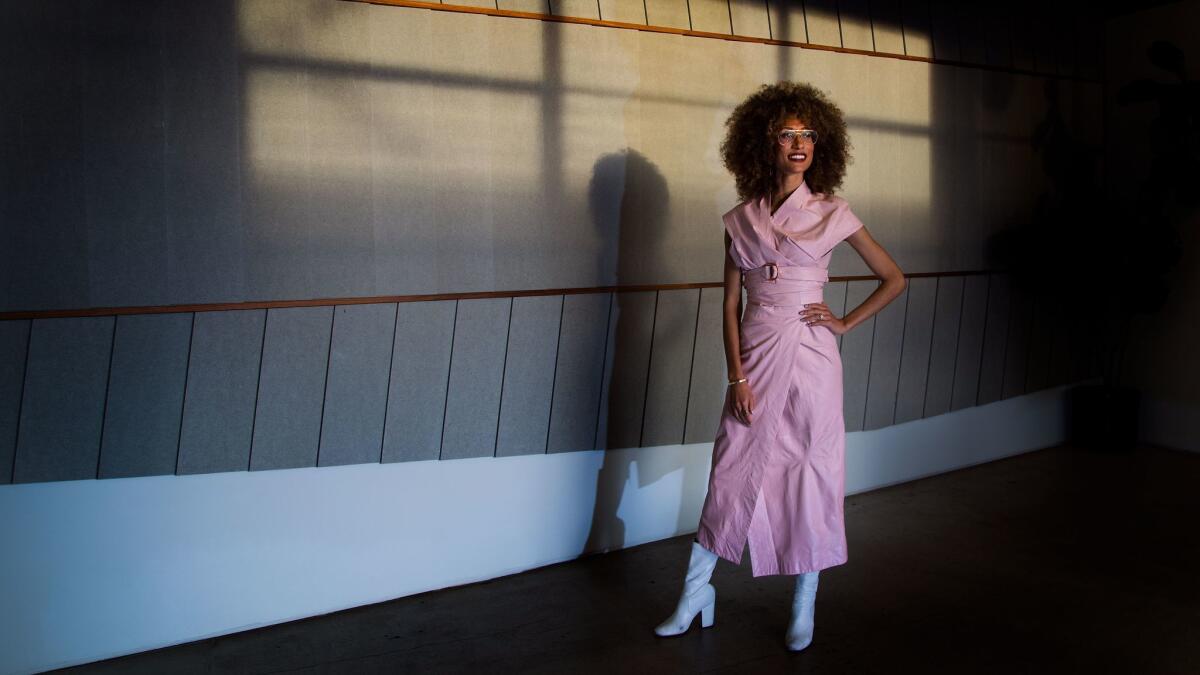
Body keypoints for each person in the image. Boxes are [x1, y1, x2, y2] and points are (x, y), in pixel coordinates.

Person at [654, 82, 906, 651]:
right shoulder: (740, 219)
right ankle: (695, 594)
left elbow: (895, 278)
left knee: (810, 470)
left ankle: (804, 604)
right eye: (787, 134)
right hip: (757, 356)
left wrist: (842, 322)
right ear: (763, 143)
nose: (799, 144)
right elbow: (727, 305)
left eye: (808, 134)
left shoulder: (833, 213)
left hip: (814, 358)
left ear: (822, 144)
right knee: (729, 471)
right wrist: (736, 377)